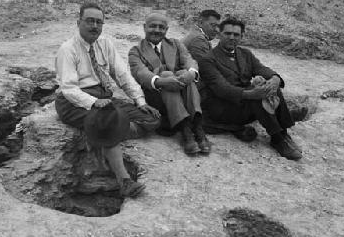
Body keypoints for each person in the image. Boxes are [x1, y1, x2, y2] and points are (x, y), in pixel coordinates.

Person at [55, 3, 161, 198]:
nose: (94, 26)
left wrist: (140, 101)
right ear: (78, 22)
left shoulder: (105, 44)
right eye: (89, 21)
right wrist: (94, 103)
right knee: (107, 122)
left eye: (99, 22)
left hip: (104, 99)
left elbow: (122, 76)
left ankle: (105, 134)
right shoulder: (67, 49)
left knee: (152, 118)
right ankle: (125, 181)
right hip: (74, 101)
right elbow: (69, 89)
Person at [198, 16, 303, 160]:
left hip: (244, 106)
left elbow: (261, 68)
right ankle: (277, 138)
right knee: (258, 96)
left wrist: (275, 79)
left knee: (271, 87)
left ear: (241, 36)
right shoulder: (208, 59)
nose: (232, 37)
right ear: (219, 34)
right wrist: (252, 94)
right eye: (227, 33)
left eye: (236, 35)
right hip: (223, 109)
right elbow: (222, 89)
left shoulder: (245, 53)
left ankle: (283, 133)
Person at [128, 13, 212, 155]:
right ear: (144, 28)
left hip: (181, 92)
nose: (157, 30)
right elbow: (141, 73)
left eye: (161, 27)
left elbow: (189, 61)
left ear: (166, 30)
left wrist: (190, 73)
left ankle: (197, 127)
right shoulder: (135, 51)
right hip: (156, 98)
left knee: (185, 75)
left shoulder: (175, 44)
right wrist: (162, 81)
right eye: (152, 26)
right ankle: (186, 130)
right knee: (167, 75)